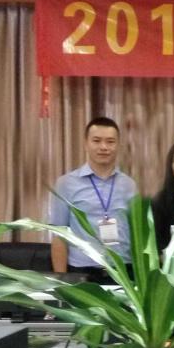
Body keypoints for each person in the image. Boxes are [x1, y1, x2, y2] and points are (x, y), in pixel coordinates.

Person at [49, 116, 138, 283]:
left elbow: (136, 235)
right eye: (96, 141)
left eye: (110, 142)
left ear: (118, 145)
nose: (103, 147)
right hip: (82, 273)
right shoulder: (65, 184)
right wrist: (62, 281)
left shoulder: (129, 185)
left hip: (123, 272)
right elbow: (59, 236)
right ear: (86, 144)